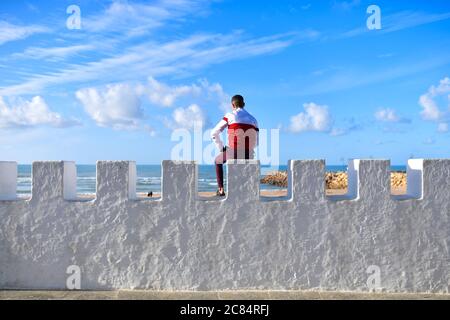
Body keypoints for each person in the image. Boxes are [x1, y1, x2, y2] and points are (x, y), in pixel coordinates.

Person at [211, 95, 259, 196]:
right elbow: (257, 142)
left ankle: (220, 189)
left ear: (233, 105)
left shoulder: (230, 115)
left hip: (233, 151)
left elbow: (214, 133)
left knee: (217, 161)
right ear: (244, 104)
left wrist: (221, 148)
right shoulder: (253, 119)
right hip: (249, 154)